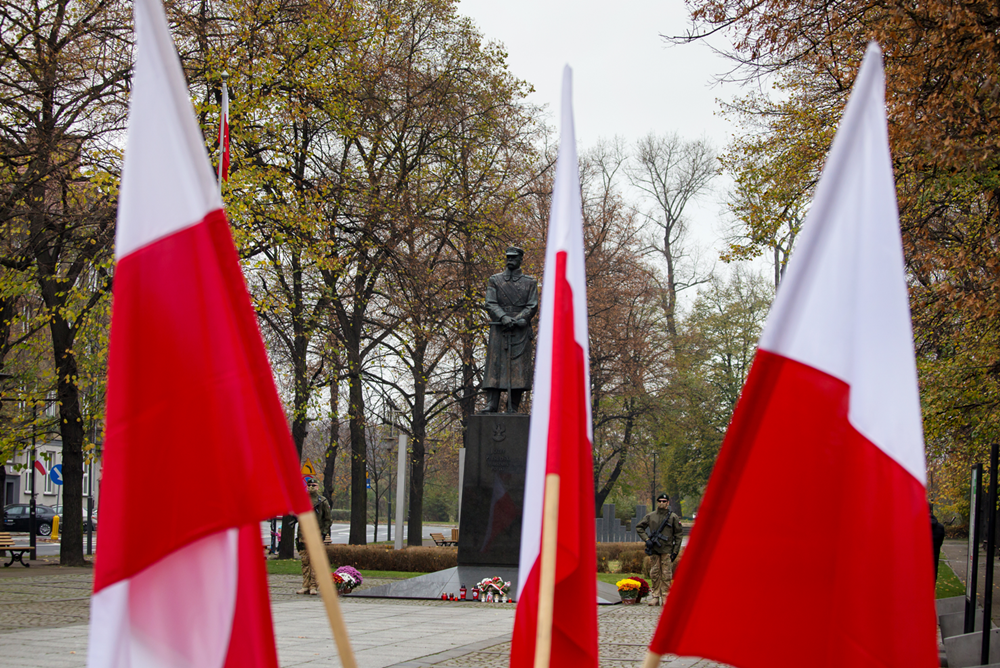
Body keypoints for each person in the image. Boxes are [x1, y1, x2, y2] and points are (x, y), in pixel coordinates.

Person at [482, 246, 538, 413]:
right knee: (494, 365)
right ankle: (492, 403)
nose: (510, 260)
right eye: (508, 257)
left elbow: (532, 305)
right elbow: (490, 302)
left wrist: (520, 318)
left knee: (518, 369)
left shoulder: (530, 282)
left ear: (521, 259)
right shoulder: (495, 280)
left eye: (514, 257)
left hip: (520, 329)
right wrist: (503, 317)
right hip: (500, 327)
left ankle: (513, 405)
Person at [636, 493, 683, 606]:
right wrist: (647, 539)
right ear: (657, 502)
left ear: (668, 503)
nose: (662, 503)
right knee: (654, 573)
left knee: (666, 574)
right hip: (654, 549)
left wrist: (675, 551)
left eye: (664, 501)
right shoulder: (651, 516)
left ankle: (665, 596)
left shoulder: (673, 517)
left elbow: (678, 535)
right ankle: (655, 596)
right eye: (660, 501)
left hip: (667, 550)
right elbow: (639, 527)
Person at [296, 477, 333, 595]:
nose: (311, 487)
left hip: (316, 534)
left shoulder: (322, 501)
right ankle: (305, 585)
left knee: (314, 562)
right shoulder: (302, 500)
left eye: (313, 485)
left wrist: (324, 533)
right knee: (305, 561)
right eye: (309, 485)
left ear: (317, 487)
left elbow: (328, 519)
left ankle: (313, 586)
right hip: (303, 535)